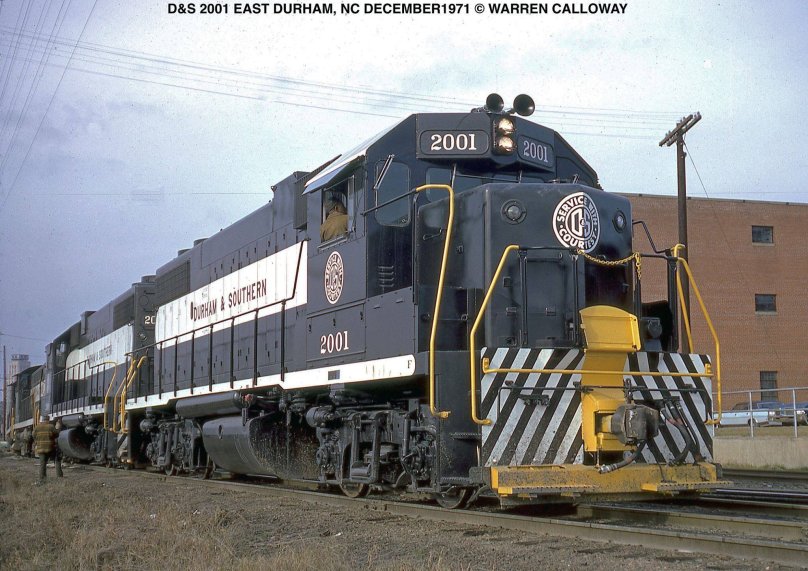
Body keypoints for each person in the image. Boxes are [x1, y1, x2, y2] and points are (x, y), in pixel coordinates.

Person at [33, 415, 63, 483]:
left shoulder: (37, 427)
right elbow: (57, 434)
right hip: (50, 448)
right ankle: (59, 475)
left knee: (42, 463)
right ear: (48, 420)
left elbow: (33, 435)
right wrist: (58, 427)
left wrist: (38, 441)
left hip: (40, 448)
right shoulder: (50, 426)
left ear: (42, 420)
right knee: (57, 459)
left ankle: (42, 478)